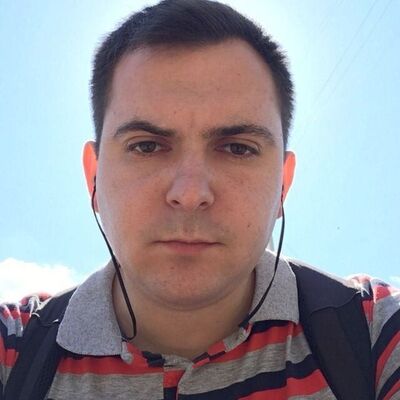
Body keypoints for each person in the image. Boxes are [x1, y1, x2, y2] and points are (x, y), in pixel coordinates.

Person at [1, 0, 399, 399]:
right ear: (93, 177)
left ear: (283, 183)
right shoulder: (13, 353)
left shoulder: (375, 334)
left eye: (238, 148)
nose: (190, 195)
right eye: (146, 146)